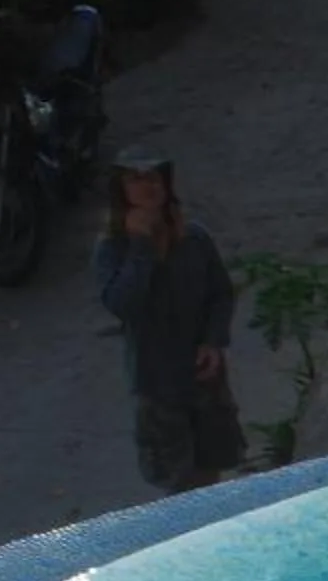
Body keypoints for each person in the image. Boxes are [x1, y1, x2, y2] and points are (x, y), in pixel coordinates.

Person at [92, 147, 245, 493]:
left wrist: (213, 341)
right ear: (122, 191)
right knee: (178, 481)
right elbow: (122, 304)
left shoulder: (194, 238)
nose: (148, 187)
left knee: (212, 469)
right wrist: (142, 247)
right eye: (136, 180)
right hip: (157, 383)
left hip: (204, 376)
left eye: (154, 178)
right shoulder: (112, 248)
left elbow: (220, 294)